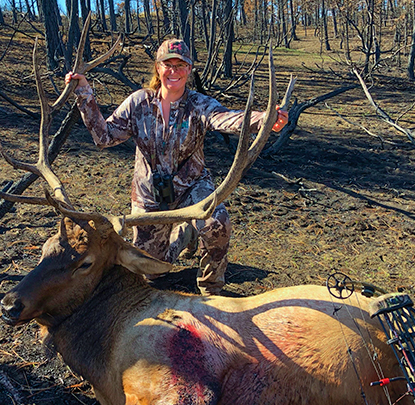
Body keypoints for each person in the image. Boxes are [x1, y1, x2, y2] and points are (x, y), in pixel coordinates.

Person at [65, 38, 288, 295]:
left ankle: (211, 287)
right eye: (167, 64)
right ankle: (183, 235)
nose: (174, 71)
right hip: (150, 194)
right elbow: (104, 137)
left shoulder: (198, 104)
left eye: (180, 65)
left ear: (189, 70)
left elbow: (226, 118)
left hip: (192, 186)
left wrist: (264, 119)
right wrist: (84, 93)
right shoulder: (139, 102)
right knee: (153, 273)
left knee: (217, 222)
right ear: (158, 68)